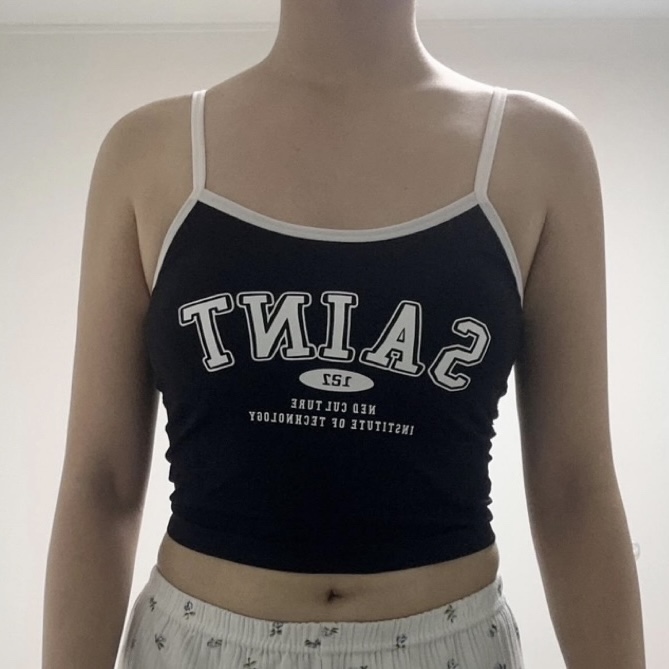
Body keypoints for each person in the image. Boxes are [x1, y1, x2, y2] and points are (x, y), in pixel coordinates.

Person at [43, 0, 646, 667]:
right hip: (193, 645)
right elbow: (100, 485)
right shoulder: (148, 152)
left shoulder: (538, 151)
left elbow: (574, 491)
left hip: (448, 647)